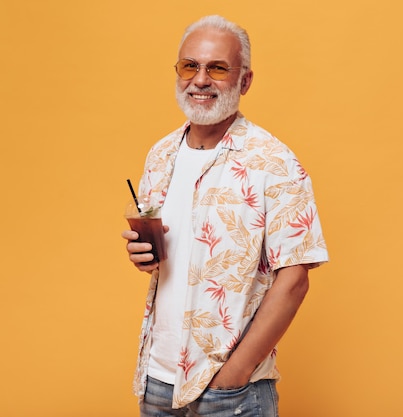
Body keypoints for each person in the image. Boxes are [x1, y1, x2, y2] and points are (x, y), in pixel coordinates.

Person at [122, 15, 329, 417]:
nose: (200, 80)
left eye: (217, 68)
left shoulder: (274, 162)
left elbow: (294, 279)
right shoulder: (161, 155)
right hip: (157, 378)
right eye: (190, 66)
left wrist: (234, 373)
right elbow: (176, 262)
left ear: (245, 81)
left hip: (230, 393)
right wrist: (142, 256)